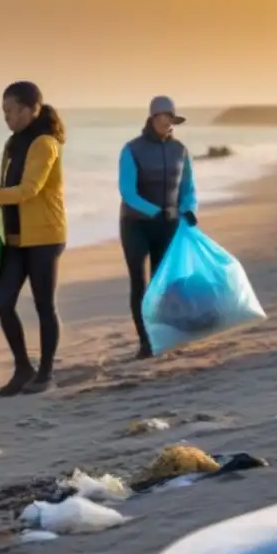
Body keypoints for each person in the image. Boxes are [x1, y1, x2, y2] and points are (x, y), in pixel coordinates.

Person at [0, 81, 66, 396]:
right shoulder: (11, 144)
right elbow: (6, 185)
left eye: (10, 110)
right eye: (4, 111)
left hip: (44, 235)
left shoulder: (45, 143)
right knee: (4, 302)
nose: (6, 117)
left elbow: (28, 190)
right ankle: (23, 367)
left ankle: (46, 372)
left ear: (29, 108)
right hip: (15, 236)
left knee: (43, 305)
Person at [117, 96, 198, 359]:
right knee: (139, 283)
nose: (168, 123)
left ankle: (163, 337)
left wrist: (188, 209)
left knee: (164, 284)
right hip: (136, 225)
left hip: (168, 225)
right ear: (152, 118)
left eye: (172, 118)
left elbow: (188, 188)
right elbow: (127, 191)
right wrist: (155, 211)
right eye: (163, 117)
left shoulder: (181, 150)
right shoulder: (132, 149)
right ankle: (145, 341)